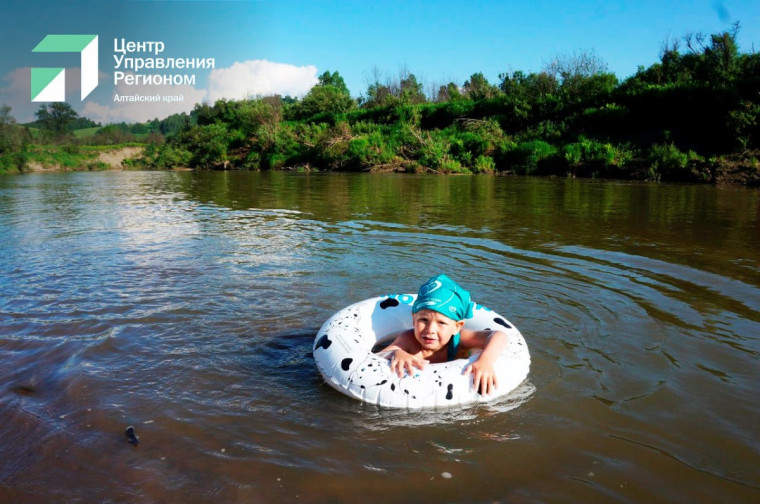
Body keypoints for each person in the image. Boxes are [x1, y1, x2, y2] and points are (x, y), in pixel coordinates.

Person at [380, 274, 508, 396]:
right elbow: (378, 356)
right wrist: (396, 353)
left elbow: (498, 335)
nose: (430, 330)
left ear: (457, 327)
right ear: (414, 319)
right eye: (423, 320)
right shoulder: (408, 339)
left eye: (441, 323)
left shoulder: (459, 340)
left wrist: (485, 360)